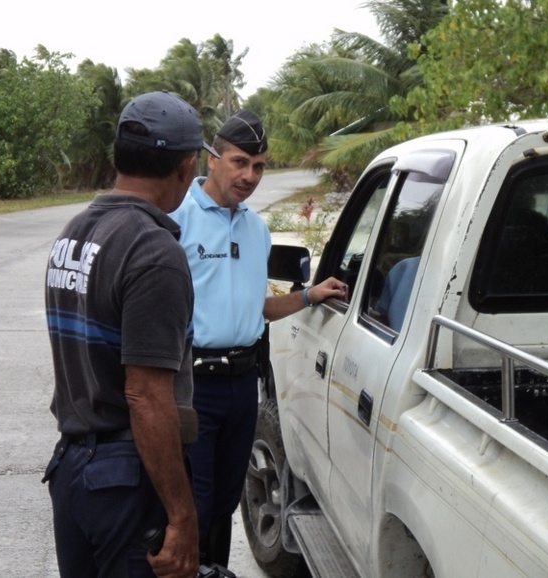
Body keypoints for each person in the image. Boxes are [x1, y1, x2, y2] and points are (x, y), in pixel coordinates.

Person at [42, 90, 214, 578]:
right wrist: (183, 518)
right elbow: (145, 395)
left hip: (74, 469)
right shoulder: (154, 251)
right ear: (185, 167)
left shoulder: (74, 234)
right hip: (124, 478)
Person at [169, 109, 347, 567]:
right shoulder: (177, 220)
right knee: (195, 503)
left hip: (242, 386)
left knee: (227, 501)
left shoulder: (256, 228)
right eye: (239, 162)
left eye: (259, 166)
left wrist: (309, 295)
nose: (249, 175)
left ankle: (217, 571)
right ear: (212, 159)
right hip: (193, 386)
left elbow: (257, 309)